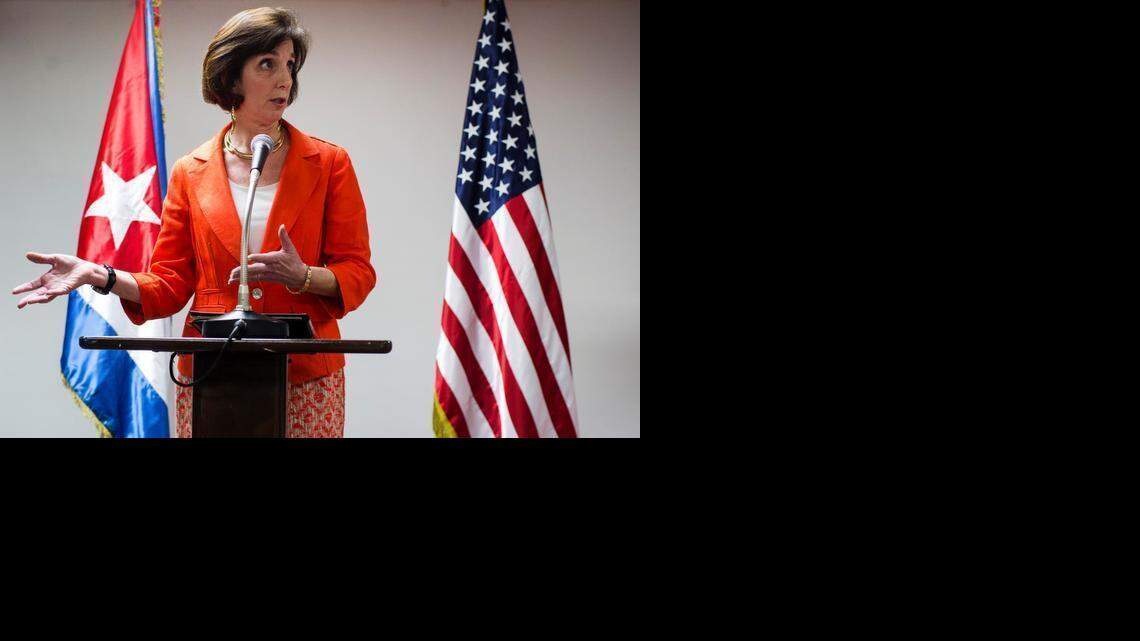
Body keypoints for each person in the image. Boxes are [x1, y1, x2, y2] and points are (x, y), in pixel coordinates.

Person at [12, 7, 376, 438]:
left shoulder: (329, 163)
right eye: (268, 64)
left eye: (291, 65)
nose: (285, 79)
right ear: (231, 77)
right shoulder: (191, 171)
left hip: (305, 375)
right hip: (213, 373)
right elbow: (168, 285)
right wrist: (100, 274)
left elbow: (358, 271)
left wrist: (304, 276)